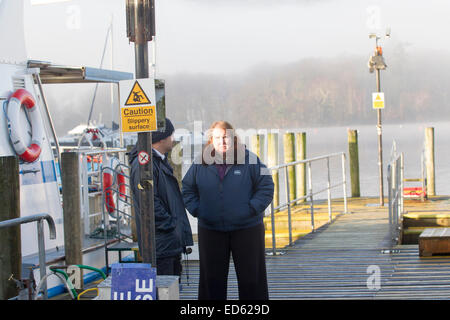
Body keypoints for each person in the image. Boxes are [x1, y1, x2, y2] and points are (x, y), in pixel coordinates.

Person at [182, 121, 274, 300]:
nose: (222, 141)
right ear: (211, 140)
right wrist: (198, 210)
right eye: (217, 138)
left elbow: (266, 186)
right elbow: (187, 188)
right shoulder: (200, 163)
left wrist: (252, 208)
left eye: (226, 137)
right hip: (211, 229)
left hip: (247, 228)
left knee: (252, 280)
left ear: (234, 138)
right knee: (211, 281)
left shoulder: (251, 160)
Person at [129, 118, 193, 277]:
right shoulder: (145, 164)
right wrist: (171, 225)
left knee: (171, 289)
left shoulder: (158, 162)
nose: (173, 139)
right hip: (161, 243)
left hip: (167, 242)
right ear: (162, 138)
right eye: (171, 135)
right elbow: (148, 202)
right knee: (163, 289)